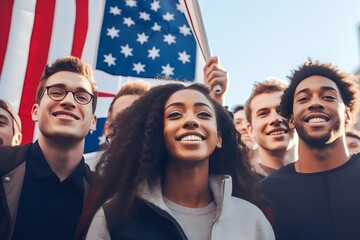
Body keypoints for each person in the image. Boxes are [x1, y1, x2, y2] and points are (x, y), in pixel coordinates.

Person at [81, 83, 274, 240]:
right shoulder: (115, 216)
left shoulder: (252, 219)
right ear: (157, 133)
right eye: (175, 115)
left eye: (203, 114)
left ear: (219, 139)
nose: (191, 121)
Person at [260, 59, 360, 240]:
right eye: (303, 99)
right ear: (290, 120)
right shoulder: (266, 194)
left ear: (346, 114)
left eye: (328, 97)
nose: (315, 103)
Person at [0, 56, 98, 240]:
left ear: (93, 121)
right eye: (56, 92)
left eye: (82, 96)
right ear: (35, 112)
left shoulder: (104, 196)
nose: (69, 101)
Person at [85, 80, 150, 170]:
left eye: (141, 117)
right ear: (108, 128)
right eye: (123, 117)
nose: (133, 124)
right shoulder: (84, 172)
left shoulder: (170, 178)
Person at [245, 78, 297, 177]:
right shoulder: (240, 183)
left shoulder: (322, 172)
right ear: (250, 130)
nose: (275, 119)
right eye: (263, 114)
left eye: (281, 110)